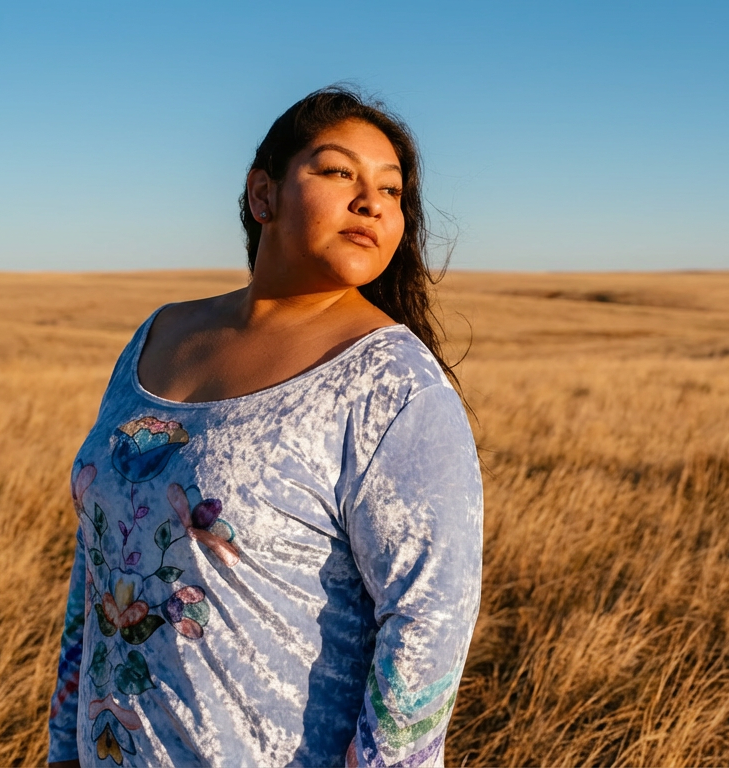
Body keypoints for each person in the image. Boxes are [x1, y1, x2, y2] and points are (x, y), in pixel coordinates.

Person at [46, 86, 482, 768]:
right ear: (263, 194)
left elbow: (429, 622)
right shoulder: (157, 336)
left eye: (392, 190)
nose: (371, 201)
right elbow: (97, 559)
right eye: (339, 172)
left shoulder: (392, 383)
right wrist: (63, 745)